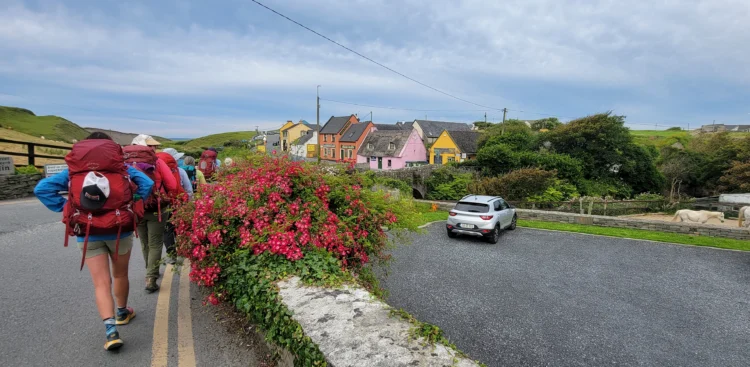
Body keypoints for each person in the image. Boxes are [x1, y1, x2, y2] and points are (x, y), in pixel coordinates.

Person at [34, 132, 154, 351]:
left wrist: (68, 210)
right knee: (120, 274)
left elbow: (41, 189)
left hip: (88, 232)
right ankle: (122, 312)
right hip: (120, 231)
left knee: (101, 283)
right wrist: (134, 204)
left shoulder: (73, 172)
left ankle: (110, 331)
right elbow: (147, 183)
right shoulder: (122, 169)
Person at [130, 135, 179, 293]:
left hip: (135, 208)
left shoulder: (124, 163)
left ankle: (149, 271)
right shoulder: (158, 161)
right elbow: (172, 184)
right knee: (156, 242)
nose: (155, 149)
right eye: (153, 147)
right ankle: (151, 276)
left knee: (144, 242)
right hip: (156, 207)